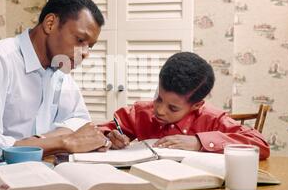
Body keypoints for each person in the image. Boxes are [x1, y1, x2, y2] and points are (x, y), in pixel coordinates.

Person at [0, 0, 110, 180]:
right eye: (80, 40)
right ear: (50, 24)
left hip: (35, 172)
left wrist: (44, 141)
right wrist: (63, 141)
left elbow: (79, 121)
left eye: (90, 46)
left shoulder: (60, 68)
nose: (86, 53)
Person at [99, 52, 270, 160]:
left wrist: (198, 142)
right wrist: (108, 138)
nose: (159, 110)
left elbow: (260, 145)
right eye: (158, 98)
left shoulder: (211, 119)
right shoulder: (140, 112)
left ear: (196, 105)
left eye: (173, 108)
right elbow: (98, 132)